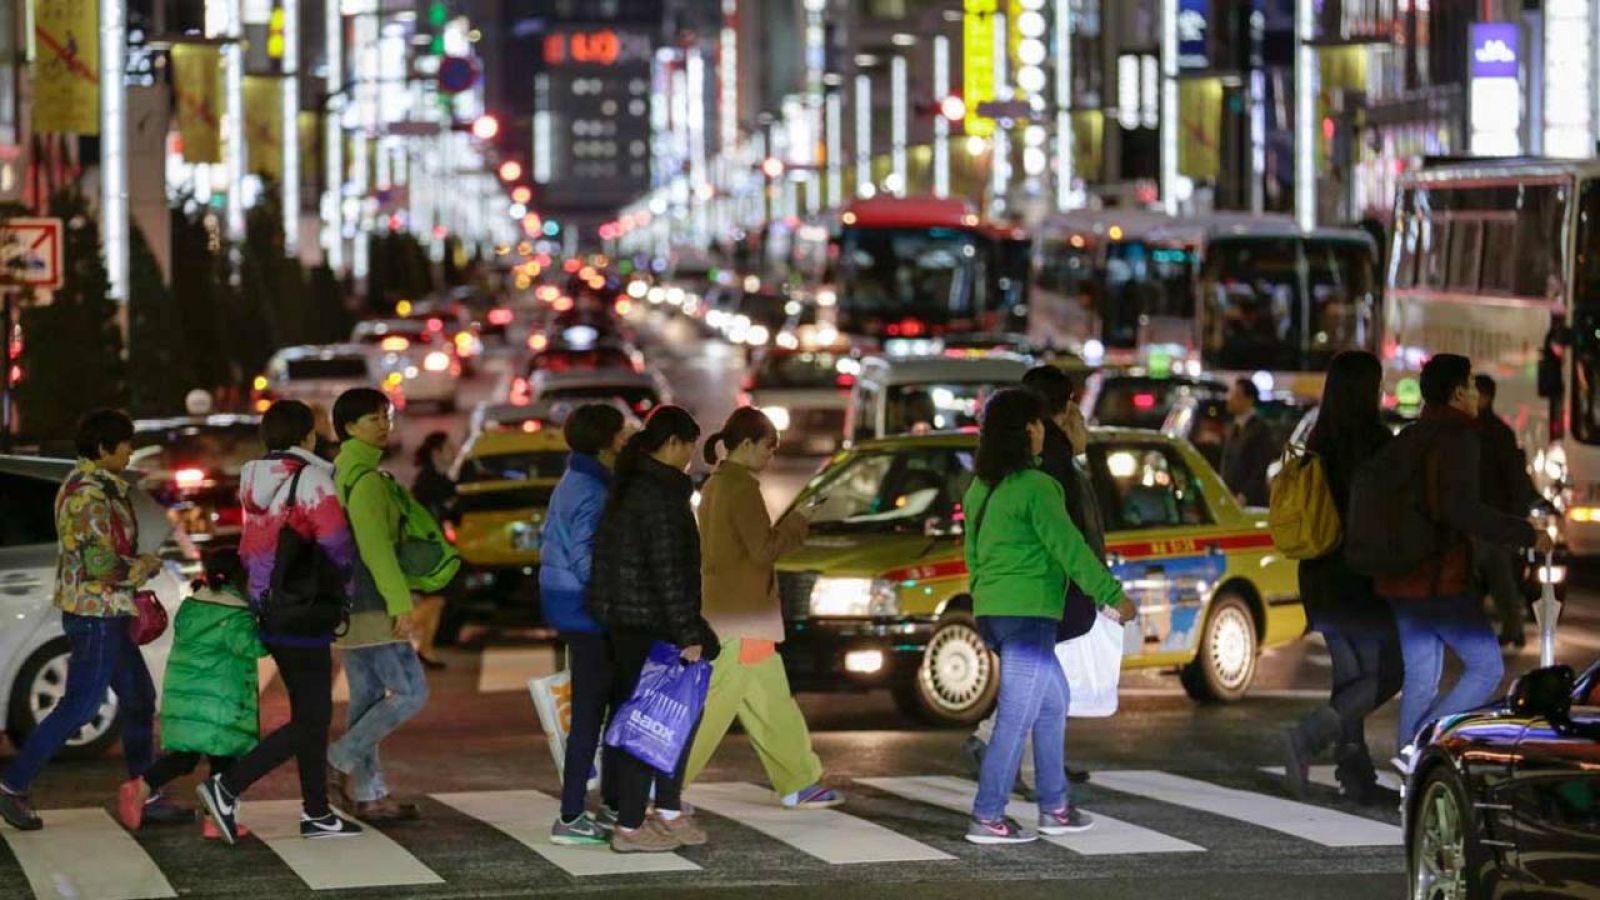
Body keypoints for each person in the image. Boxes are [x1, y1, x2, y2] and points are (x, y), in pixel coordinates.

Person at [0, 409, 189, 831]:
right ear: (104, 448)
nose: (130, 452)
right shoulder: (88, 494)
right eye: (126, 445)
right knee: (81, 705)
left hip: (108, 612)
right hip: (95, 614)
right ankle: (13, 784)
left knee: (138, 699)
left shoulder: (102, 487)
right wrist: (142, 566)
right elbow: (99, 562)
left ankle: (147, 793)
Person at [961, 389, 1131, 845]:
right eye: (1039, 423)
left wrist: (984, 598)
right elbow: (1069, 548)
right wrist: (1112, 595)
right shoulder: (1037, 487)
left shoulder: (982, 487)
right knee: (1016, 718)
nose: (1044, 431)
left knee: (1053, 702)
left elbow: (972, 554)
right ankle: (988, 815)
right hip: (1030, 613)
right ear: (1028, 430)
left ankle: (1055, 805)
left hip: (996, 611)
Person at [197, 400, 363, 843]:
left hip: (268, 605)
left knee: (311, 712)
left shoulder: (254, 480)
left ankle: (317, 814)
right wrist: (347, 589)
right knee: (312, 717)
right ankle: (227, 787)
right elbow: (335, 542)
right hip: (305, 607)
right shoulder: (310, 478)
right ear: (308, 436)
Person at [1380, 355, 1550, 757]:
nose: (1476, 394)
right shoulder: (1459, 436)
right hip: (1440, 576)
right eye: (1472, 386)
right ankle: (1422, 747)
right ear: (1458, 392)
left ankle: (1410, 759)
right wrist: (1526, 534)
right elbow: (1461, 510)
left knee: (1422, 677)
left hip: (1401, 575)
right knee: (1487, 667)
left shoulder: (1413, 435)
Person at [682, 408, 842, 809]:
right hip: (743, 617)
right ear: (748, 444)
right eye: (769, 448)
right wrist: (800, 519)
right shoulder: (740, 487)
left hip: (731, 612)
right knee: (716, 708)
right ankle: (662, 782)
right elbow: (763, 549)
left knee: (770, 701)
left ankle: (800, 780)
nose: (772, 457)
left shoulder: (717, 485)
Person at [589, 406, 720, 853]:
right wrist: (688, 634)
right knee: (655, 721)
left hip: (629, 623)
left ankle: (664, 810)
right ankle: (631, 824)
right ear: (672, 444)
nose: (690, 458)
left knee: (659, 717)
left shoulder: (634, 486)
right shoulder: (659, 495)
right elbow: (669, 572)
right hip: (653, 627)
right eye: (688, 447)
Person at [1280, 352, 1403, 805]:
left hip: (1317, 572)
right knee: (1385, 674)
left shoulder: (1319, 436)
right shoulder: (1374, 440)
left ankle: (1355, 774)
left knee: (1350, 678)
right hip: (1357, 575)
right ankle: (1307, 737)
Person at [326, 388, 430, 821]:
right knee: (411, 692)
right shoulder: (366, 480)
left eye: (386, 417)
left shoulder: (338, 471)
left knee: (367, 697)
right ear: (349, 427)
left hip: (344, 599)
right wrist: (401, 603)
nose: (384, 425)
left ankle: (369, 793)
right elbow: (376, 549)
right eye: (373, 419)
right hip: (372, 600)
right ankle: (336, 759)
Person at [123, 549, 268, 837]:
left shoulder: (193, 605)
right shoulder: (235, 616)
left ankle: (143, 786)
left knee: (185, 757)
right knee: (224, 759)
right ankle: (213, 818)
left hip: (186, 698)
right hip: (219, 703)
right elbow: (256, 647)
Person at [540, 404, 632, 845]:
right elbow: (586, 558)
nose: (627, 436)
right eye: (622, 431)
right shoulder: (592, 489)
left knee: (597, 711)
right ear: (607, 440)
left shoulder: (575, 480)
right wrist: (615, 602)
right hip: (585, 610)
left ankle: (605, 805)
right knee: (593, 715)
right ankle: (572, 814)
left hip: (570, 605)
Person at [1473, 374, 1536, 647]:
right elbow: (1514, 477)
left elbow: (1508, 477)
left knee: (1478, 577)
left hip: (1482, 516)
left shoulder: (1480, 431)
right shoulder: (1498, 431)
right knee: (1499, 578)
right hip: (1495, 516)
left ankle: (1487, 630)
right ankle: (1512, 627)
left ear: (1484, 397)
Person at [410, 431, 457, 668]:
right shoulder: (428, 481)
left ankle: (426, 649)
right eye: (449, 448)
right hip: (427, 549)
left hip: (434, 547)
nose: (454, 451)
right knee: (435, 598)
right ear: (436, 452)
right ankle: (400, 631)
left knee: (437, 599)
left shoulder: (436, 478)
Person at [1220, 377, 1275, 507]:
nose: (1229, 399)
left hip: (1250, 503)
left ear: (1248, 400)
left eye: (1235, 395)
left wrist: (1245, 495)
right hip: (1231, 499)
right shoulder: (1234, 427)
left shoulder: (1259, 429)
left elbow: (1260, 467)